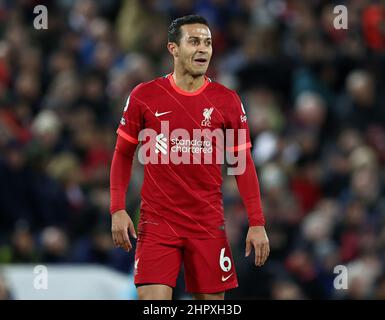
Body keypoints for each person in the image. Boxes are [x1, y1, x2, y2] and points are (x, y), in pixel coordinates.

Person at [109, 15, 269, 300]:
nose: (203, 49)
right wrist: (117, 209)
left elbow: (242, 166)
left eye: (207, 43)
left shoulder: (227, 101)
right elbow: (122, 154)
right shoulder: (145, 96)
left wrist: (257, 222)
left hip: (206, 223)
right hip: (158, 223)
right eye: (194, 41)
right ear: (173, 48)